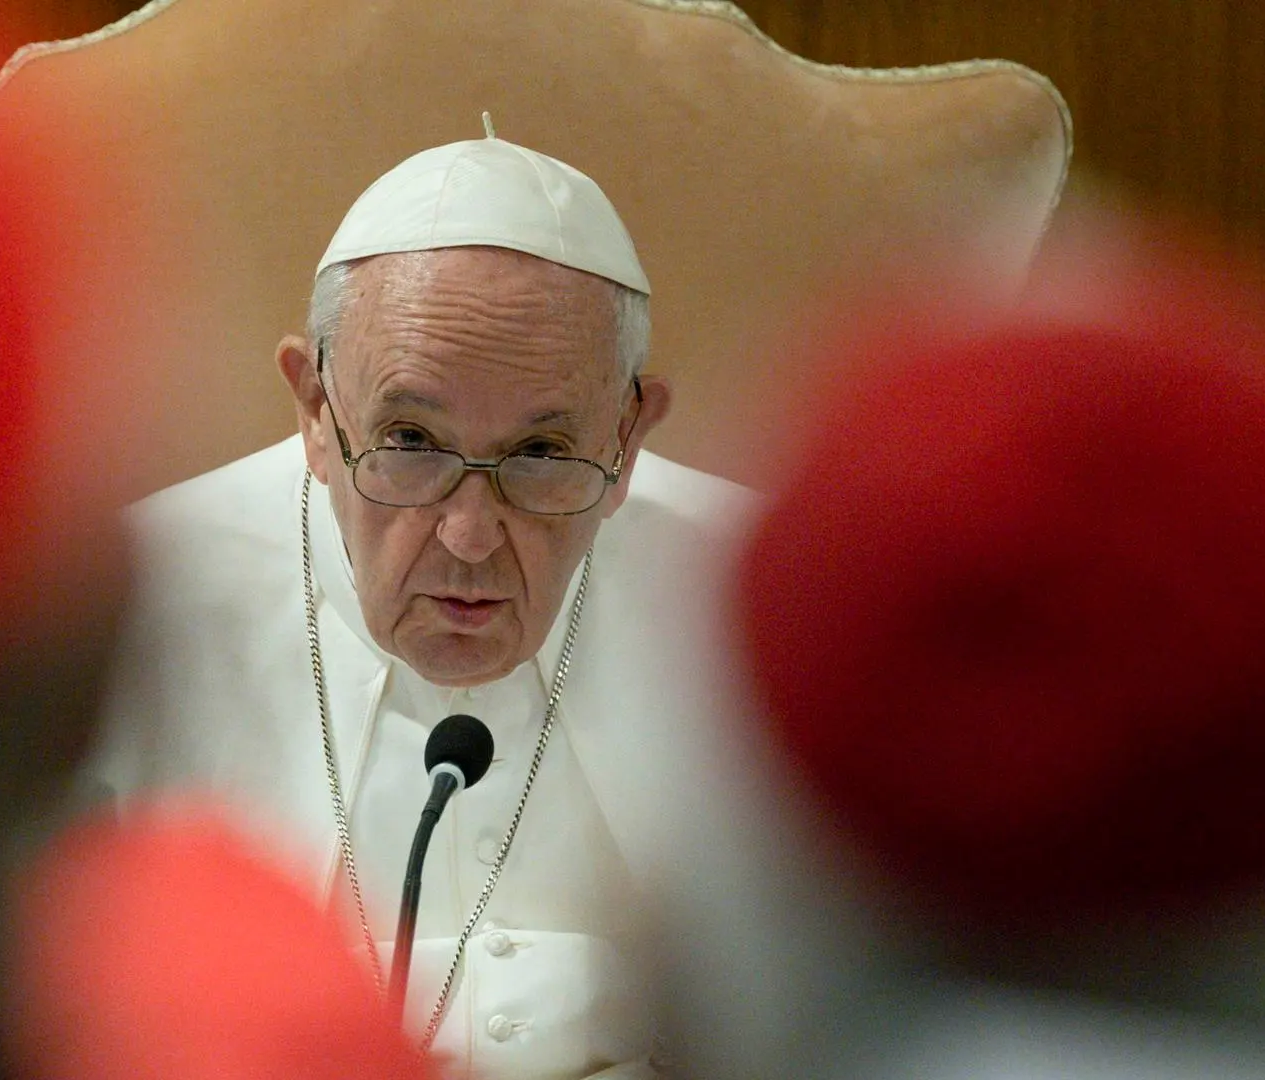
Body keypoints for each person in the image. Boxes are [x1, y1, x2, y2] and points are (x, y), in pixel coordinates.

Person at [86, 129, 760, 1080]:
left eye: (540, 454)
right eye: (410, 439)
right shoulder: (123, 609)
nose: (470, 535)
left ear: (628, 435)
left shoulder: (768, 602)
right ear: (317, 412)